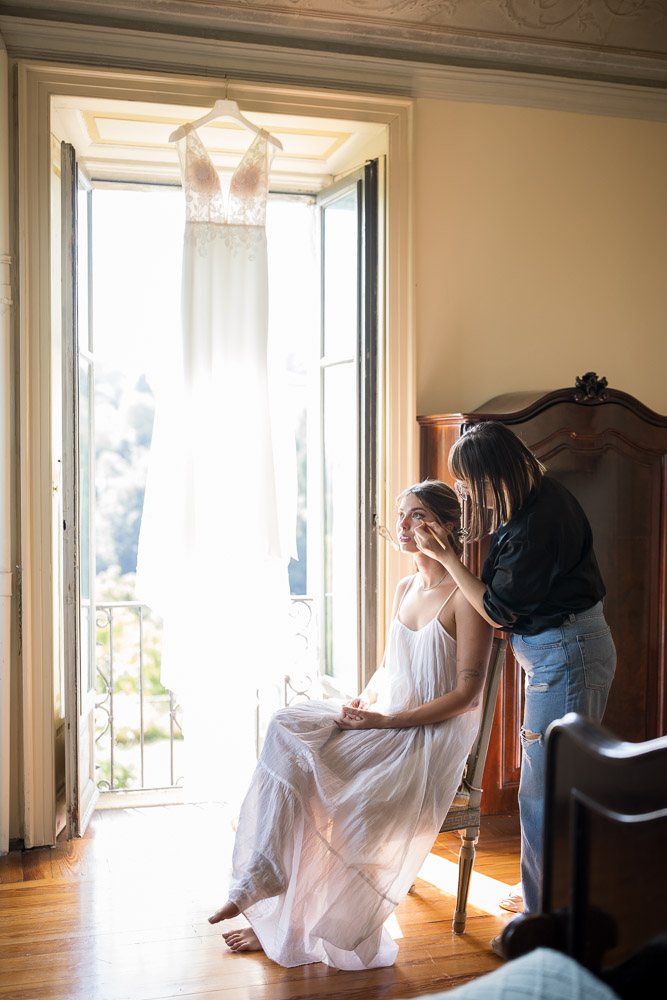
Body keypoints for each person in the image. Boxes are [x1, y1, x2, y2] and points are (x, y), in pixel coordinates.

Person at [208, 480, 493, 970]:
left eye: (418, 515)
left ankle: (298, 922)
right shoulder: (406, 587)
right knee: (287, 727)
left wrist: (387, 720)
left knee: (342, 794)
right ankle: (264, 876)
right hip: (386, 714)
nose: (404, 526)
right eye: (402, 515)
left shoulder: (465, 597)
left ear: (448, 527)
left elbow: (466, 697)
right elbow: (392, 665)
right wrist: (367, 698)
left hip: (425, 738)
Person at [412, 422, 616, 934]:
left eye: (468, 483)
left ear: (492, 475)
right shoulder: (532, 501)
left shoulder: (537, 522)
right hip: (559, 655)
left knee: (546, 788)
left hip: (568, 658)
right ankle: (542, 894)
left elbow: (499, 610)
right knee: (548, 782)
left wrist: (447, 559)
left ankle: (543, 910)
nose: (466, 492)